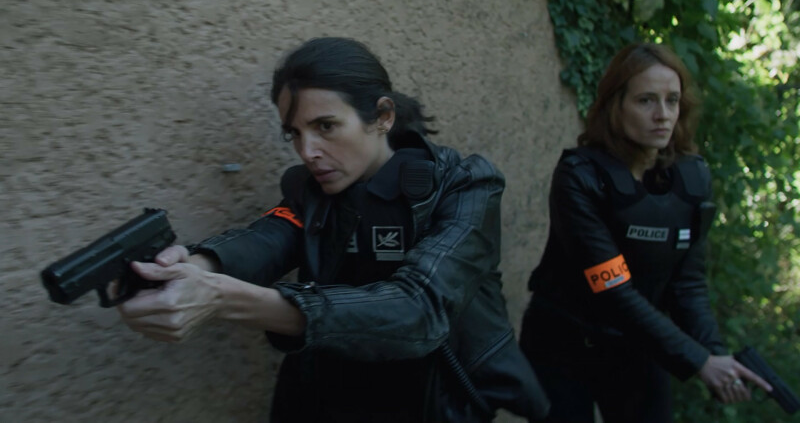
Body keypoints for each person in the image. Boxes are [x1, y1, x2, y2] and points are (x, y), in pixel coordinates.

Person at [118, 37, 549, 422]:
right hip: (321, 398)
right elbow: (272, 235)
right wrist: (193, 266)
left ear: (382, 116)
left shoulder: (463, 185)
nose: (308, 151)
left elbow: (420, 309)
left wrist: (225, 298)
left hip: (431, 401)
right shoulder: (311, 191)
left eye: (325, 127)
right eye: (294, 133)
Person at [518, 42, 772, 422]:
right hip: (563, 345)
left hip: (639, 346)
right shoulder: (580, 177)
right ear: (615, 105)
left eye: (672, 101)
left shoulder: (691, 180)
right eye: (646, 100)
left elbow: (687, 284)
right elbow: (612, 289)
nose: (662, 115)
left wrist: (716, 356)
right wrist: (699, 361)